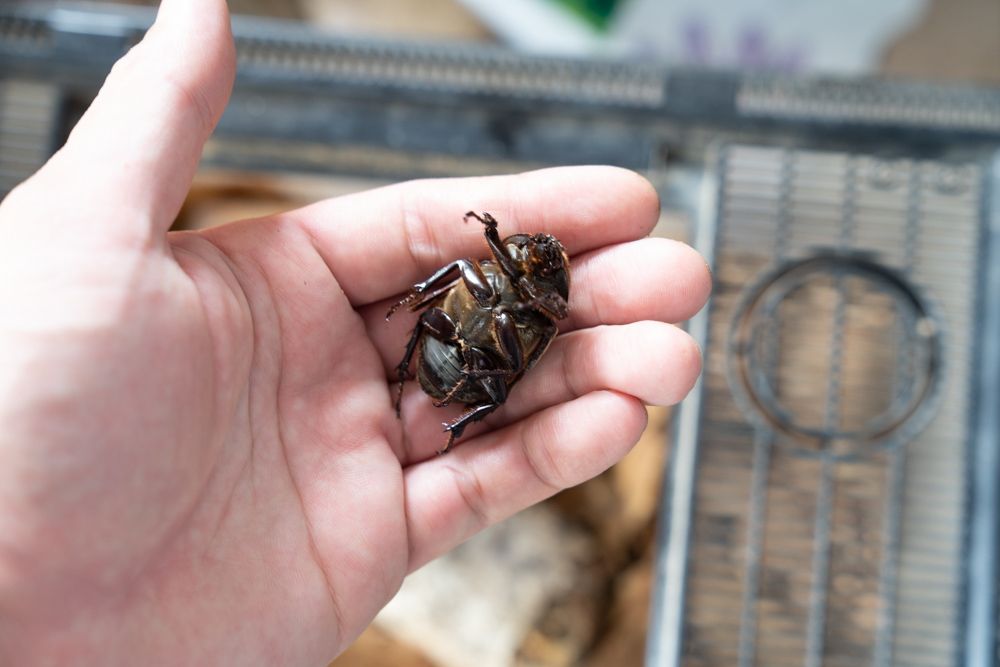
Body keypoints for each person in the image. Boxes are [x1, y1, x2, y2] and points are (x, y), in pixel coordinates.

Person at [0, 0, 711, 663]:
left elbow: (525, 335)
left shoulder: (539, 309)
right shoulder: (494, 273)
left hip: (466, 365)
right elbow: (480, 296)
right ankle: (435, 382)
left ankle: (445, 393)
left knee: (483, 344)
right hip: (450, 356)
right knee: (458, 311)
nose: (533, 263)